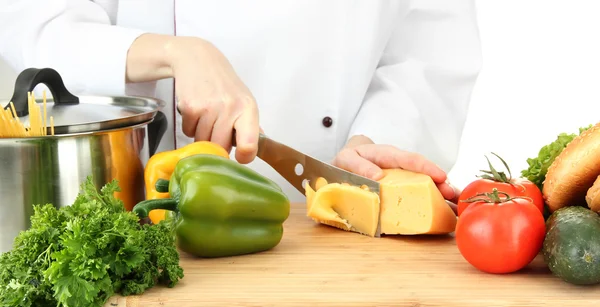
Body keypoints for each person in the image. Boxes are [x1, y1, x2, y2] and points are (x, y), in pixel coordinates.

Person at [0, 1, 482, 203]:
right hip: (142, 207)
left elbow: (430, 41)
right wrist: (173, 51)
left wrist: (381, 139)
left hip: (335, 219)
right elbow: (34, 21)